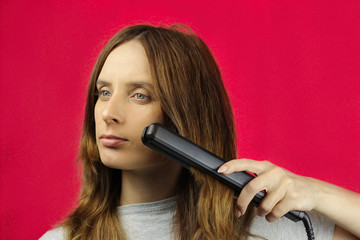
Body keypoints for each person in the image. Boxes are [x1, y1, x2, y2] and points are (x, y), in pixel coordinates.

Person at [40, 24, 360, 240]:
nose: (109, 113)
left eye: (140, 95)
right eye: (104, 93)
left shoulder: (270, 227)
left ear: (186, 114)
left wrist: (316, 193)